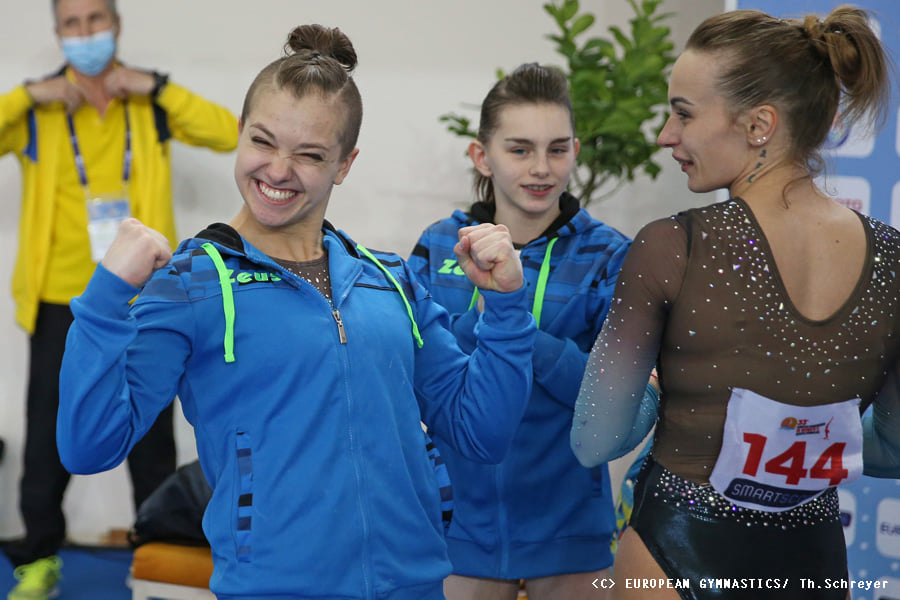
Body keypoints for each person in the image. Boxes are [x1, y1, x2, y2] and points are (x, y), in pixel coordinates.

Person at [56, 23, 537, 600]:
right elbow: (89, 446)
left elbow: (481, 433)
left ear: (344, 164)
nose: (279, 170)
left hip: (412, 586)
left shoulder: (389, 280)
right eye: (263, 142)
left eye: (309, 154)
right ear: (240, 131)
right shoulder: (191, 285)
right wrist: (106, 298)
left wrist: (505, 307)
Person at [570, 6, 899, 599]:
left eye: (683, 113)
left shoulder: (673, 247)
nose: (665, 135)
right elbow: (892, 448)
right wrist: (813, 423)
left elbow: (595, 439)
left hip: (675, 552)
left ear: (759, 125)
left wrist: (659, 387)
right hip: (814, 560)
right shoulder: (892, 260)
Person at [0, 0, 238, 597]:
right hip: (60, 298)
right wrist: (28, 95)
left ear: (116, 25)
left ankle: (153, 557)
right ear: (58, 32)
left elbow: (229, 132)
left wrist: (157, 86)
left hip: (145, 296)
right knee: (49, 436)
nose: (86, 33)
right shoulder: (38, 112)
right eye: (72, 23)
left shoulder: (149, 105)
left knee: (151, 438)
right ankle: (38, 559)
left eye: (95, 20)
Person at [409, 63, 657, 600]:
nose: (541, 168)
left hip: (571, 530)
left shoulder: (609, 253)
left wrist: (515, 323)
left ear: (576, 151)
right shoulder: (439, 244)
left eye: (557, 149)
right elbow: (421, 377)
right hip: (458, 528)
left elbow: (614, 399)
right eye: (520, 149)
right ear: (482, 156)